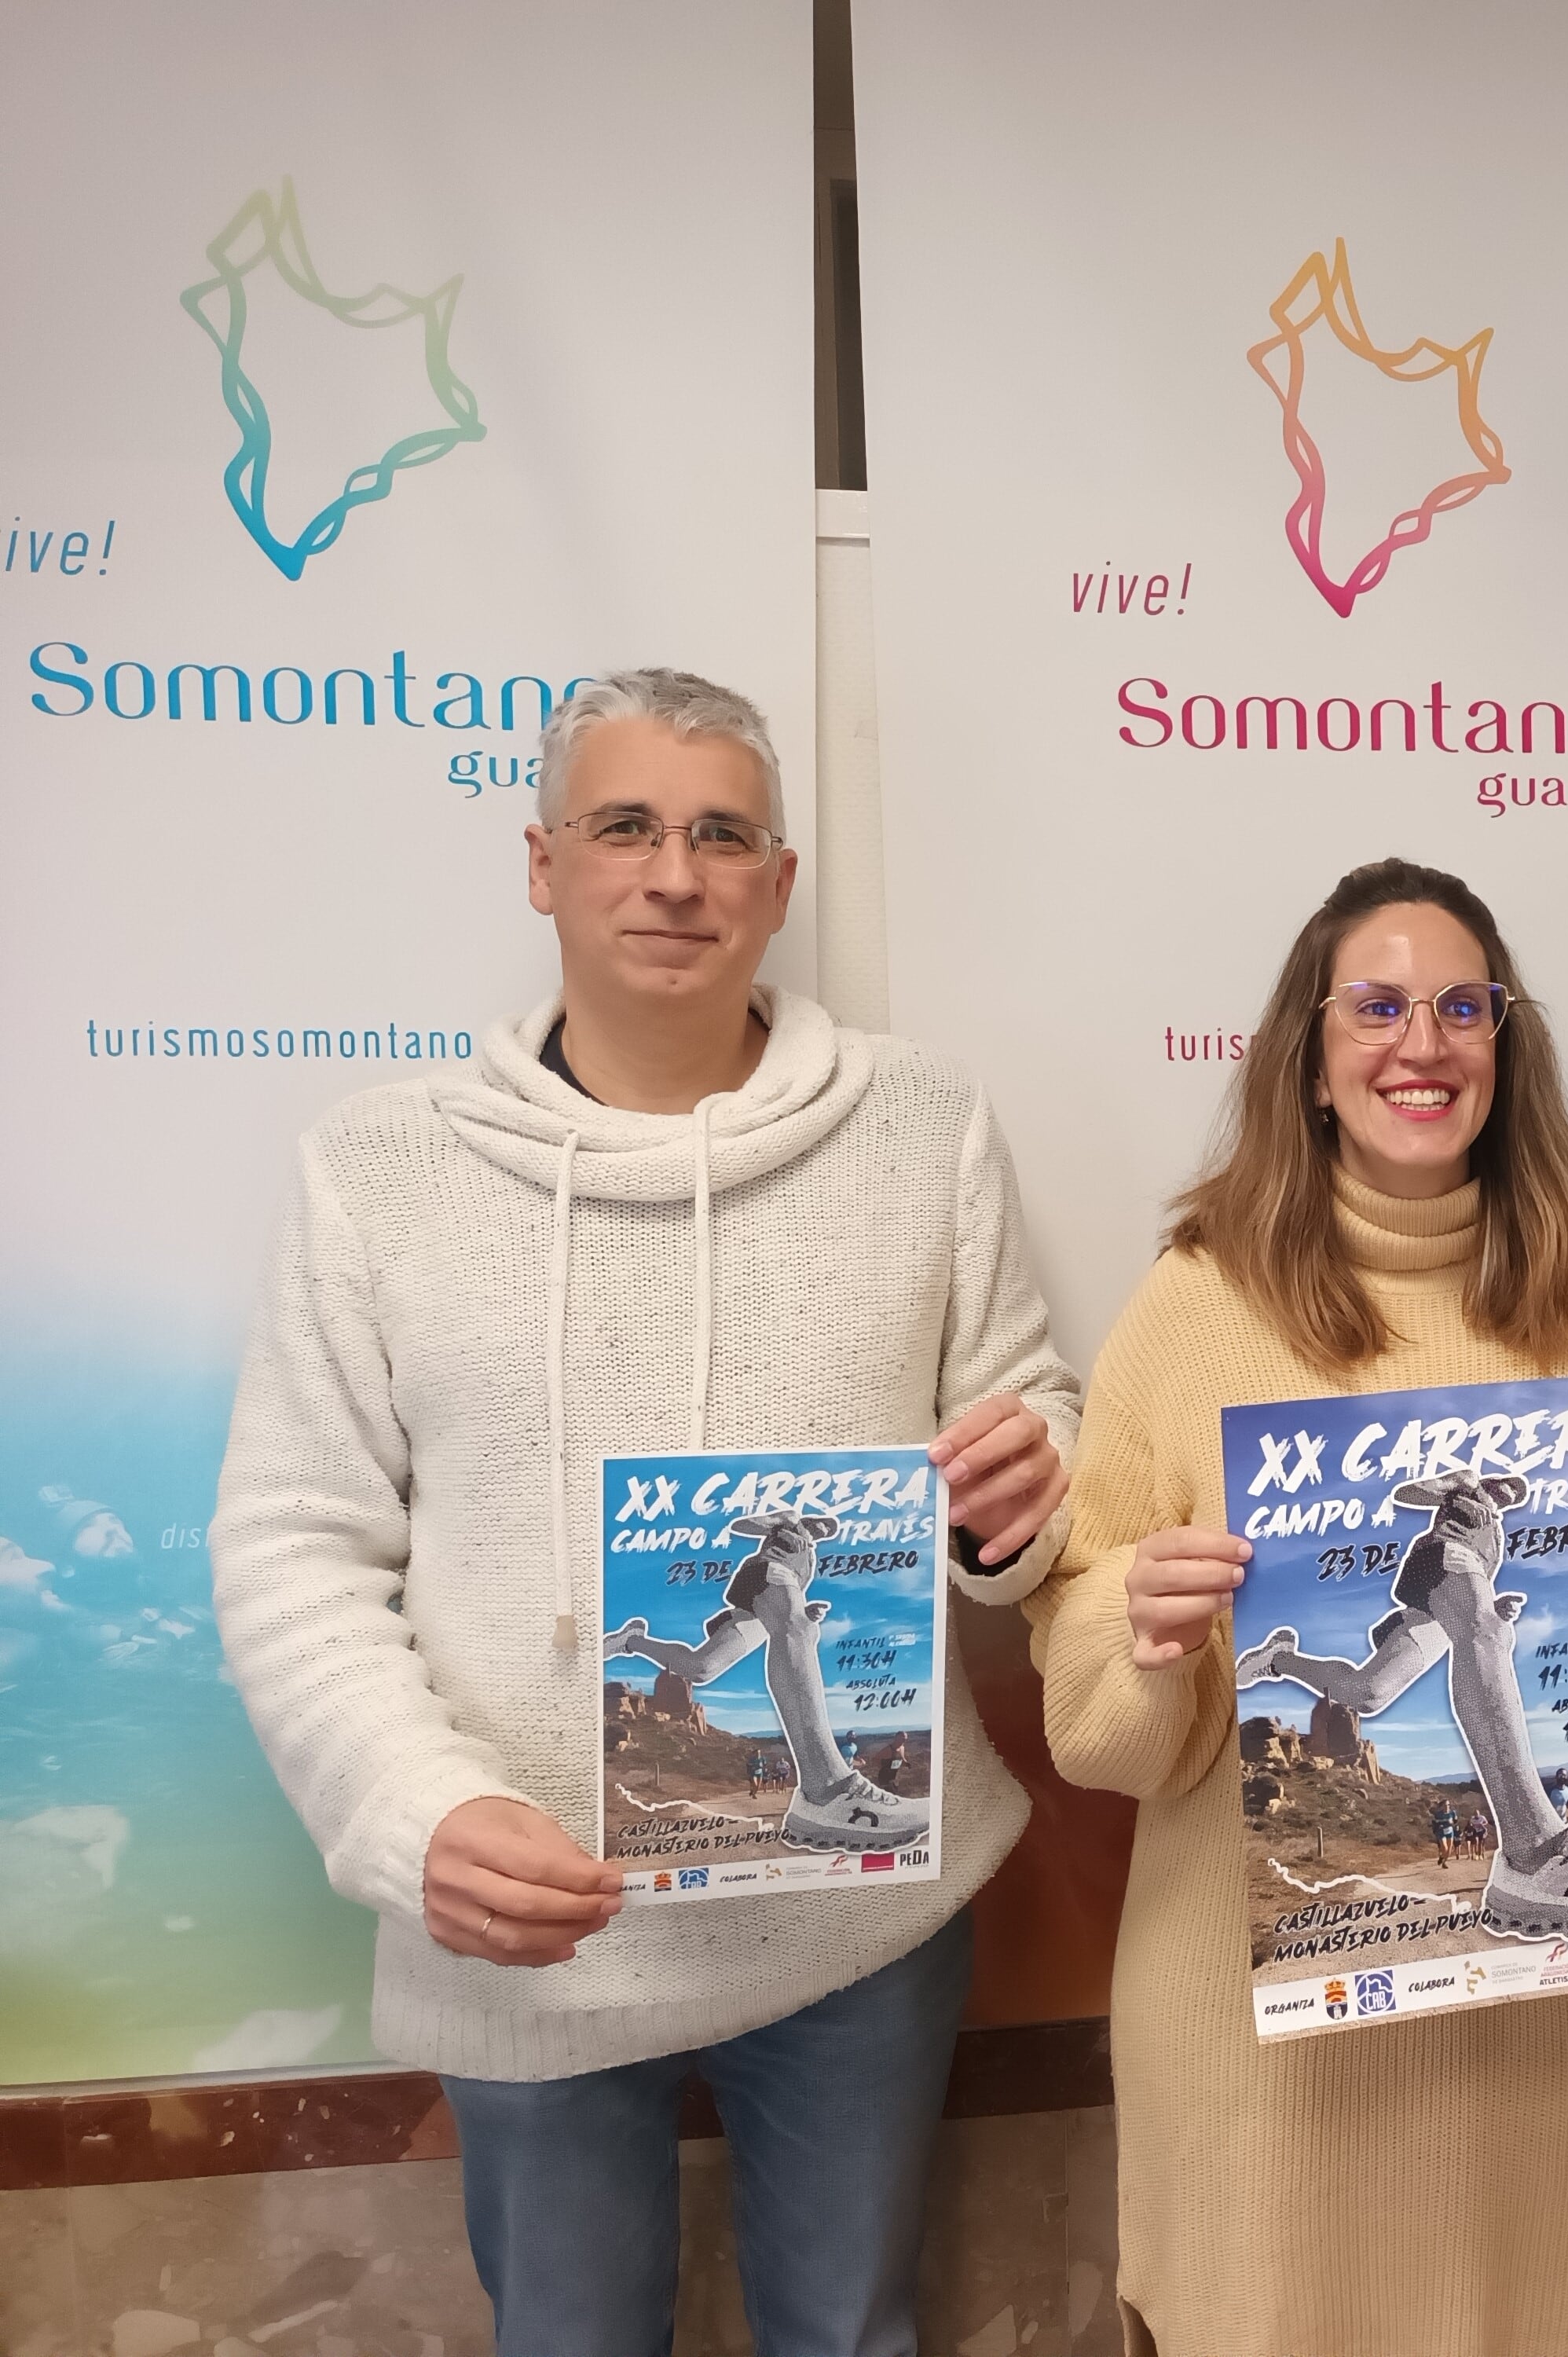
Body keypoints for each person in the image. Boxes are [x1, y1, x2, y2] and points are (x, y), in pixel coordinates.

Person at [210, 669, 1082, 2357]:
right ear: (542, 865)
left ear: (779, 881)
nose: (673, 875)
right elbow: (292, 1540)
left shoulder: (923, 1124)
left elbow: (1022, 1420)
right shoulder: (375, 1167)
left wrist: (1018, 1496)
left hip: (862, 1918)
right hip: (526, 1919)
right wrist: (416, 1814)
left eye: (718, 834)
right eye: (624, 828)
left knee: (851, 2335)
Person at [1028, 857, 1568, 2354]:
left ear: (1508, 1046)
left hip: (1542, 2062)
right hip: (1265, 2060)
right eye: (1376, 1007)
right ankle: (1509, 1827)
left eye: (1460, 1008)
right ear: (1308, 1058)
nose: (1420, 1045)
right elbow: (1084, 1696)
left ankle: (1530, 1842)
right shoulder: (1196, 1301)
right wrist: (1144, 1625)